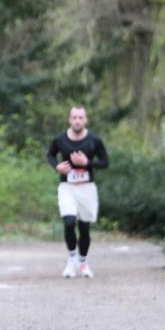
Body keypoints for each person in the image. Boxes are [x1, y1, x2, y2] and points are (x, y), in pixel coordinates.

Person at [46, 105, 109, 278]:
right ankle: (72, 258)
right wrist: (57, 166)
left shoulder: (94, 140)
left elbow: (105, 162)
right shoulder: (60, 139)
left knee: (84, 228)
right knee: (68, 221)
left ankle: (83, 261)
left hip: (87, 188)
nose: (77, 121)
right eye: (74, 117)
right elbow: (50, 155)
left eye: (81, 117)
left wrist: (87, 163)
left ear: (86, 120)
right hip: (67, 187)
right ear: (69, 119)